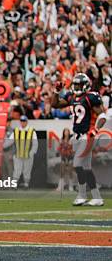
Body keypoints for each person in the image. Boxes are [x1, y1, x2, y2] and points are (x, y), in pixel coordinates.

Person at [51, 73, 106, 206]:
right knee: (86, 168)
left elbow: (103, 116)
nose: (76, 87)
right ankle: (97, 197)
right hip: (77, 136)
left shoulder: (90, 97)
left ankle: (82, 195)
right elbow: (55, 104)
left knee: (77, 164)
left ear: (85, 85)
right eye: (75, 84)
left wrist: (96, 129)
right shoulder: (72, 97)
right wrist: (56, 91)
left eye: (79, 85)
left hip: (87, 135)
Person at [4, 115, 38, 189]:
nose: (23, 123)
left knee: (27, 170)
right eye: (21, 121)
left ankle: (26, 184)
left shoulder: (31, 131)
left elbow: (35, 143)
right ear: (20, 122)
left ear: (26, 122)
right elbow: (9, 142)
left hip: (28, 155)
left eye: (24, 121)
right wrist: (1, 145)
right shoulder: (16, 131)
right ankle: (14, 184)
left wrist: (32, 153)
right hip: (18, 154)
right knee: (17, 170)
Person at [57, 128, 74, 192]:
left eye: (67, 132)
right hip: (63, 157)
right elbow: (59, 148)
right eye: (65, 132)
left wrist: (70, 152)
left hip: (70, 157)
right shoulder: (61, 140)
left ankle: (71, 186)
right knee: (62, 171)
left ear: (69, 133)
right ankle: (60, 186)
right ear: (63, 133)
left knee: (70, 171)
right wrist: (62, 152)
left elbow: (73, 149)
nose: (66, 133)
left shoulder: (71, 140)